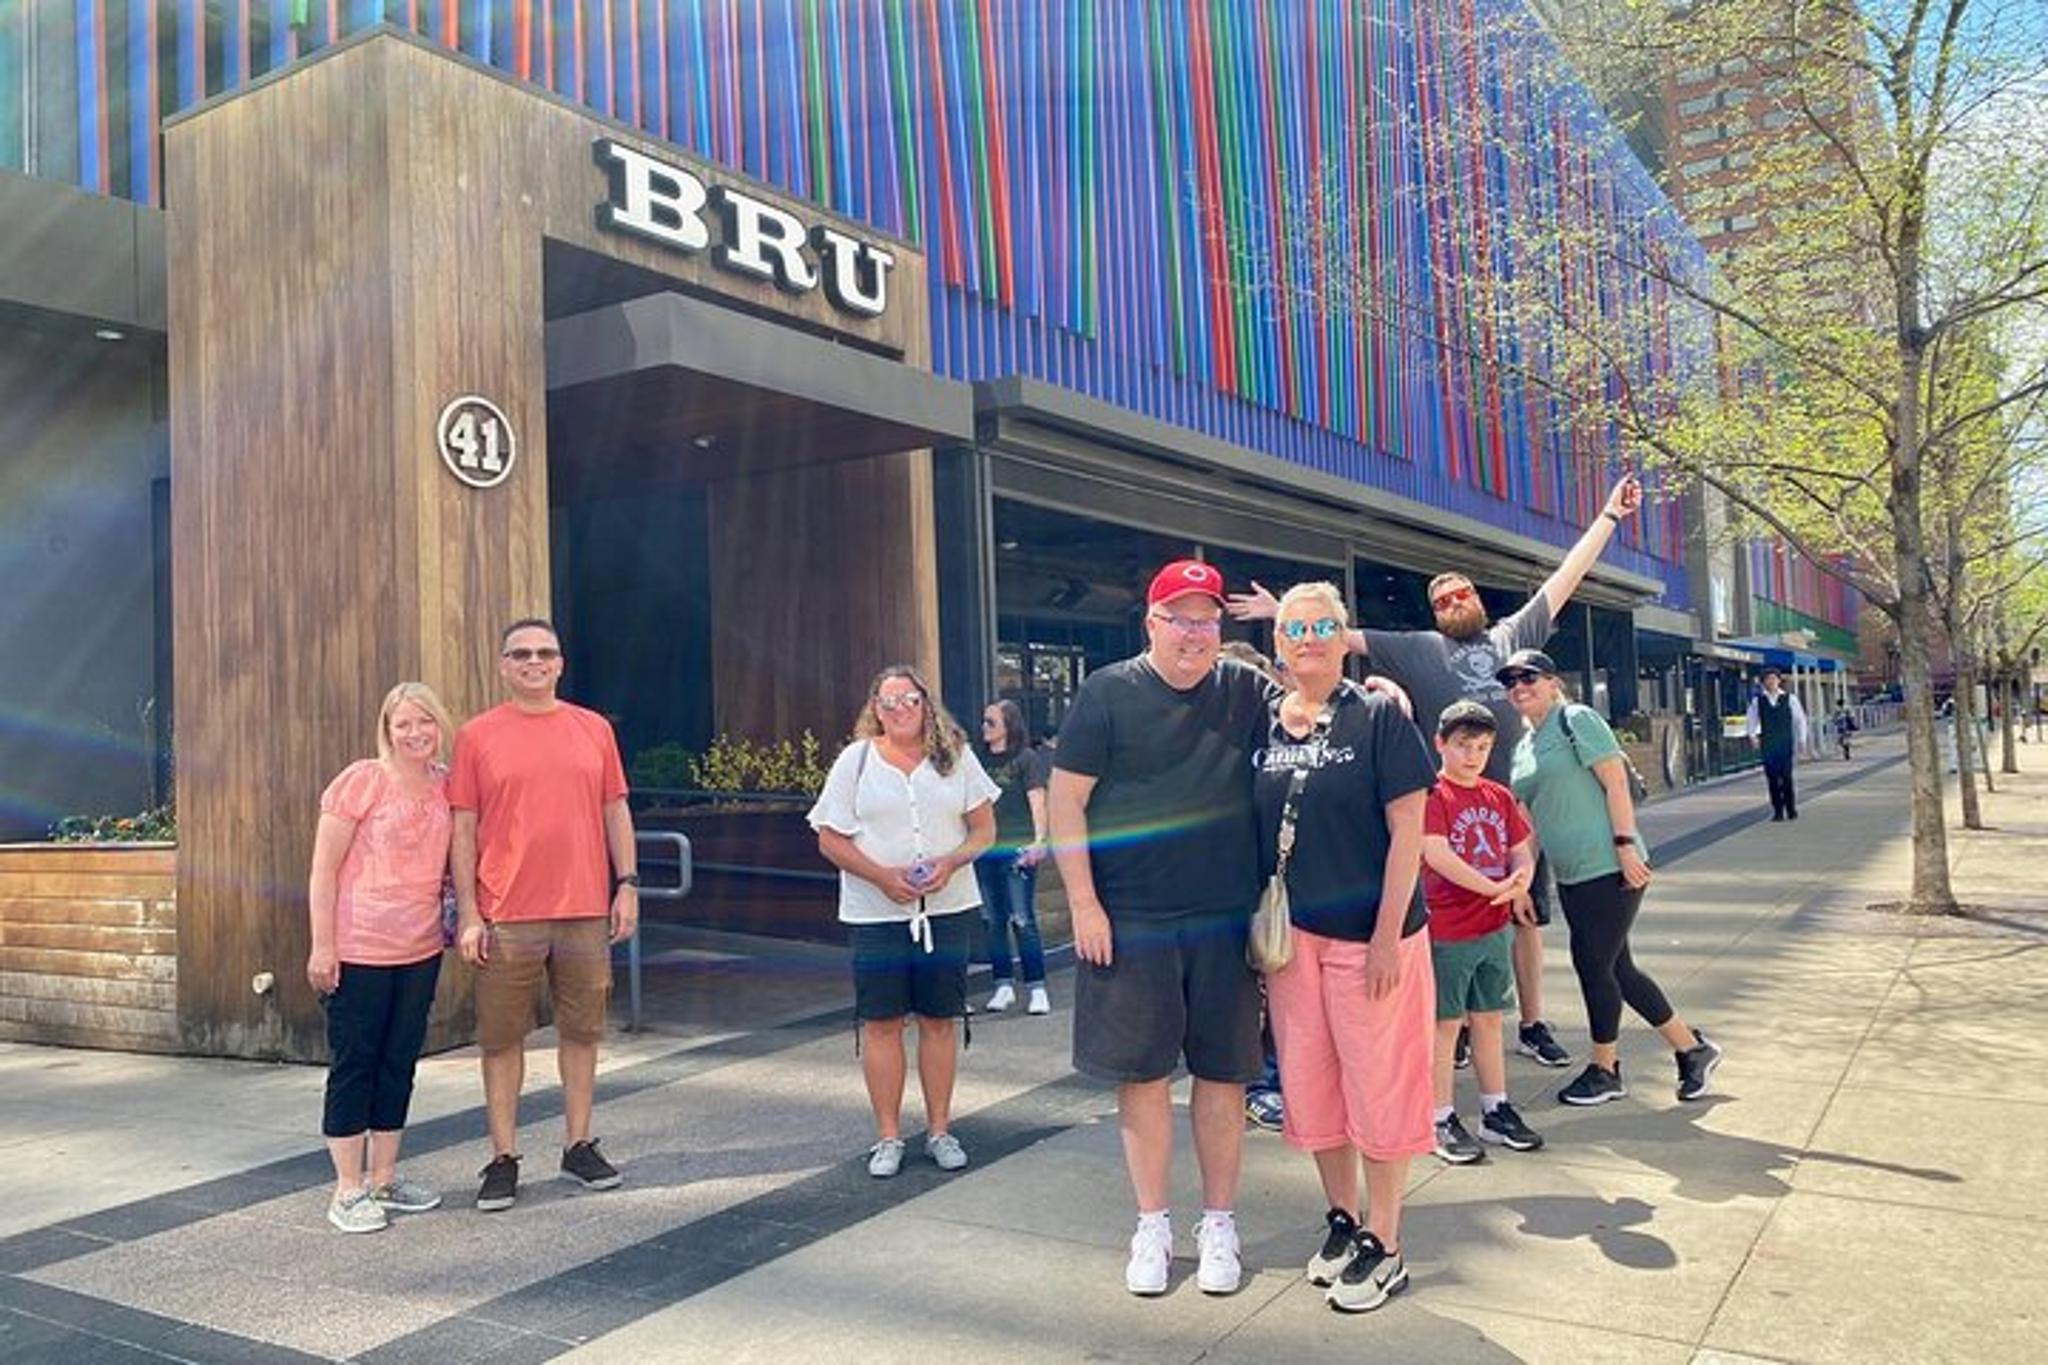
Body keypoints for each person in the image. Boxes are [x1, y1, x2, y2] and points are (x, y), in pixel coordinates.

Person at [1229, 474, 1644, 1072]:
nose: (1453, 602)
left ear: (1479, 599)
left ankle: (1527, 1022)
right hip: (1449, 815)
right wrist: (1282, 614)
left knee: (1523, 916)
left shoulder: (1512, 636)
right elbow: (1327, 633)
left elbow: (1566, 578)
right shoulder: (1418, 647)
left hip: (1512, 818)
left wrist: (1607, 514)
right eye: (1442, 598)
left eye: (1461, 593)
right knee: (1453, 926)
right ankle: (1457, 1028)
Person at [1048, 559, 1278, 1298]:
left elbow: (1316, 708)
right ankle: (1153, 1222)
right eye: (1180, 618)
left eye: (1208, 620)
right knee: (1143, 1077)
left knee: (1223, 1075)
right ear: (1152, 623)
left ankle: (1219, 1222)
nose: (1195, 633)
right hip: (1131, 920)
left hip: (1224, 920)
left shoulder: (1246, 690)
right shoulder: (1107, 692)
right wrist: (1084, 903)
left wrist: (1378, 688)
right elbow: (1065, 802)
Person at [1254, 583, 1438, 1314]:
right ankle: (1342, 1218)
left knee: (1380, 1085)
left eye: (1323, 625)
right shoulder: (1265, 723)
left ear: (1342, 636)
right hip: (1297, 939)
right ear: (1278, 643)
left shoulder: (1380, 717)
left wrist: (1389, 932)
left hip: (1373, 938)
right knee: (1312, 1083)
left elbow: (1407, 832)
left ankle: (1386, 1242)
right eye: (1294, 627)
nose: (1309, 637)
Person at [451, 619, 639, 1213]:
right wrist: (470, 913)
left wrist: (627, 884)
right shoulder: (477, 737)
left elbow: (615, 811)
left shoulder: (593, 730)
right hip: (507, 913)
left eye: (545, 653)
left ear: (560, 664)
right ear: (504, 666)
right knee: (502, 1040)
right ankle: (503, 1158)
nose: (534, 662)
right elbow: (463, 829)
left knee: (582, 1032)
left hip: (584, 907)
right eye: (521, 654)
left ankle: (578, 1144)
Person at [1500, 649, 1723, 1106]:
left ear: (1553, 682)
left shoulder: (1575, 720)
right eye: (1511, 681)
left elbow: (1616, 781)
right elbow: (1527, 823)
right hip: (1571, 875)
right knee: (1619, 968)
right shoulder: (1524, 748)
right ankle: (1691, 1050)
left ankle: (1605, 1069)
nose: (1520, 686)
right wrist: (1521, 880)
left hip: (1610, 866)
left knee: (1594, 966)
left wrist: (1625, 845)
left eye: (1530, 677)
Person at [811, 666, 998, 1177]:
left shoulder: (955, 757)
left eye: (908, 700)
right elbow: (828, 837)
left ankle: (939, 1129)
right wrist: (880, 877)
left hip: (946, 909)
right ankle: (888, 1136)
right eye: (888, 702)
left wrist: (950, 862)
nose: (899, 710)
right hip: (877, 914)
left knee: (940, 1020)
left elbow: (983, 830)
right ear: (875, 707)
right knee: (881, 1022)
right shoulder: (856, 761)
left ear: (925, 704)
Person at [307, 682, 458, 1233]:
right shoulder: (360, 781)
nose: (416, 733)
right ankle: (347, 1189)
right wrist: (323, 945)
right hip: (359, 946)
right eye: (404, 724)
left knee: (399, 1062)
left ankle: (384, 1178)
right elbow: (324, 870)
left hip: (419, 949)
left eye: (426, 723)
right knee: (356, 1063)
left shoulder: (447, 786)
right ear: (386, 729)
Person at [1420, 701, 1544, 1166]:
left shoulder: (1498, 795)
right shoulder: (1433, 795)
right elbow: (1434, 852)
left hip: (1493, 927)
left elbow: (1521, 847)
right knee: (1445, 1024)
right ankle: (1439, 1115)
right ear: (1441, 744)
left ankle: (1495, 1108)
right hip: (1448, 926)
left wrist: (1521, 879)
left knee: (1489, 1018)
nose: (1472, 755)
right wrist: (1494, 886)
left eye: (1482, 746)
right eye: (1463, 745)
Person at [1219, 640, 1286, 1134]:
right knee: (1245, 996)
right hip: (1222, 888)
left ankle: (1273, 1080)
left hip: (1273, 884)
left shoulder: (1276, 738)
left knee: (1275, 987)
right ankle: (1256, 1084)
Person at [974, 699, 1051, 1016]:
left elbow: (1037, 799)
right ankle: (1002, 984)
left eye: (991, 722)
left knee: (1023, 919)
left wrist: (1039, 840)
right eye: (984, 721)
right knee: (993, 920)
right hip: (985, 848)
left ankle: (1037, 988)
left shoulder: (1026, 758)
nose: (985, 727)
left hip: (1017, 848)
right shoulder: (978, 760)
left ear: (1009, 724)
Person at [1744, 668, 1809, 820]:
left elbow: (1800, 720)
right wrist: (1752, 736)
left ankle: (1791, 808)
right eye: (1767, 679)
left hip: (1785, 743)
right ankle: (1778, 810)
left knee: (1786, 776)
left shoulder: (1790, 699)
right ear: (1763, 682)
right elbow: (1751, 720)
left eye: (1774, 679)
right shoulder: (1758, 701)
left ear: (1779, 681)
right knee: (1772, 778)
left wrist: (1802, 740)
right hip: (1768, 744)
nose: (1771, 682)